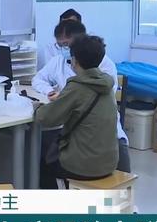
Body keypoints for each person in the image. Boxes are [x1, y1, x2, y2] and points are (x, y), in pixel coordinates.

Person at [32, 20, 131, 185]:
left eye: (66, 45)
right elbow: (39, 79)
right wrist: (50, 91)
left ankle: (50, 198)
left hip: (84, 163)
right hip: (108, 160)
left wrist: (37, 107)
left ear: (75, 59)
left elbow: (44, 118)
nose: (64, 50)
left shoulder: (78, 85)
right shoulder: (105, 81)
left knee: (41, 156)